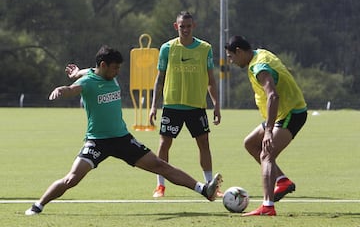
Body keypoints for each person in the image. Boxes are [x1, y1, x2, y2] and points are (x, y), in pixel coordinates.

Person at [25, 45, 222, 215]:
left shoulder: (103, 74)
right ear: (103, 66)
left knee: (160, 165)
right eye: (115, 67)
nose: (118, 71)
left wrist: (77, 71)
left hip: (122, 139)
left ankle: (204, 190)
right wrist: (62, 89)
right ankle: (37, 206)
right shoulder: (87, 82)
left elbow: (87, 70)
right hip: (97, 141)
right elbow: (73, 88)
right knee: (71, 179)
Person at [225, 36, 307, 216]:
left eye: (231, 57)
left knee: (266, 154)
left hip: (289, 113)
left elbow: (273, 96)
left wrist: (268, 131)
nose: (231, 61)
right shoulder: (260, 53)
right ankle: (282, 181)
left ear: (239, 51)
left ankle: (268, 206)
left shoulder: (258, 67)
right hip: (281, 113)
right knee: (250, 143)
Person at [149, 11, 221, 198]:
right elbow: (160, 78)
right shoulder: (167, 48)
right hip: (172, 105)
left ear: (194, 26)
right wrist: (153, 106)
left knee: (204, 144)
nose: (186, 29)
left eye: (189, 26)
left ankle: (210, 184)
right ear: (176, 26)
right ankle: (160, 186)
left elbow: (211, 80)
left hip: (196, 106)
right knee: (164, 144)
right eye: (182, 26)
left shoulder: (205, 48)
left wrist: (216, 105)